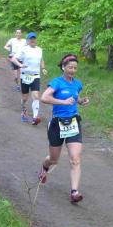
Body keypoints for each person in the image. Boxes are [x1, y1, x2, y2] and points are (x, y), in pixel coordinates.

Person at [38, 53, 89, 203]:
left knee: (75, 158)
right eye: (70, 67)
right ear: (63, 67)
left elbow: (74, 98)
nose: (73, 70)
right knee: (54, 159)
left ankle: (74, 192)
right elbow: (44, 98)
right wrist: (63, 102)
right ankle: (44, 168)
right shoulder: (56, 82)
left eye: (75, 68)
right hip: (57, 124)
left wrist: (81, 101)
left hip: (73, 122)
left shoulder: (77, 84)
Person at [10, 32, 46, 123]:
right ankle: (24, 112)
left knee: (36, 96)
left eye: (34, 38)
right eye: (31, 39)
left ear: (36, 39)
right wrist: (20, 65)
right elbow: (13, 59)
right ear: (27, 40)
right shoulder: (24, 49)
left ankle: (35, 117)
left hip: (35, 76)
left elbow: (41, 60)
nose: (32, 40)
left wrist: (43, 68)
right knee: (25, 98)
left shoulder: (39, 49)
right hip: (25, 76)